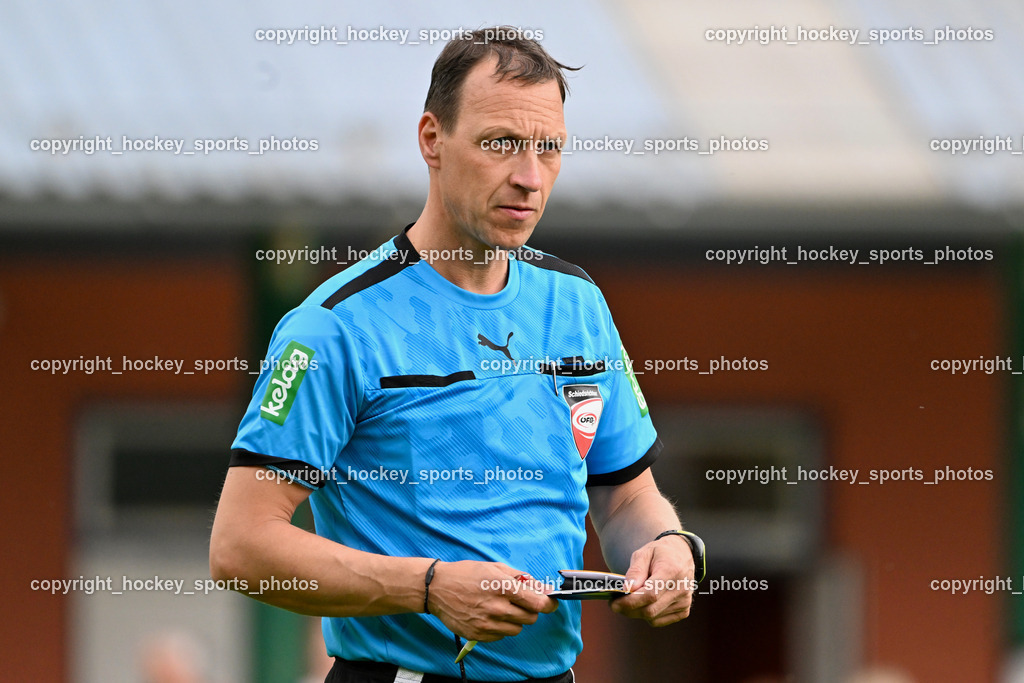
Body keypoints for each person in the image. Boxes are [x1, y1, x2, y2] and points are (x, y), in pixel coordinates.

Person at [210, 27, 702, 683]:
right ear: (431, 140)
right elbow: (240, 547)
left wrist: (667, 548)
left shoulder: (577, 303)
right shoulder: (334, 328)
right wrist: (429, 586)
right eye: (500, 143)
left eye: (549, 148)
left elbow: (623, 498)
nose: (529, 177)